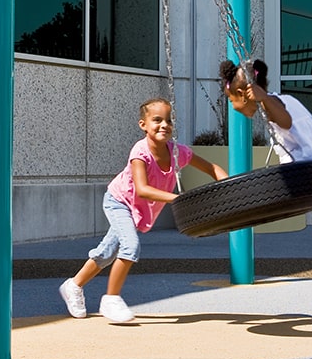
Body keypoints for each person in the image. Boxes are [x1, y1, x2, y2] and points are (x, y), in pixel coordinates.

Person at [59, 97, 228, 324]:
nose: (164, 125)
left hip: (137, 210)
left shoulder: (178, 152)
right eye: (157, 120)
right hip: (119, 202)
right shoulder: (141, 152)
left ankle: (74, 285)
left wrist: (228, 186)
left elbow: (211, 168)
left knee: (107, 252)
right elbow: (143, 189)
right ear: (143, 125)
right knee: (131, 246)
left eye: (168, 120)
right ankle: (111, 298)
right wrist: (179, 199)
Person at [219, 59, 312, 163]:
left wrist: (264, 98)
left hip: (306, 169)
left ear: (242, 95)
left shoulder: (269, 105)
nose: (233, 107)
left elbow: (286, 122)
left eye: (231, 101)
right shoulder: (284, 98)